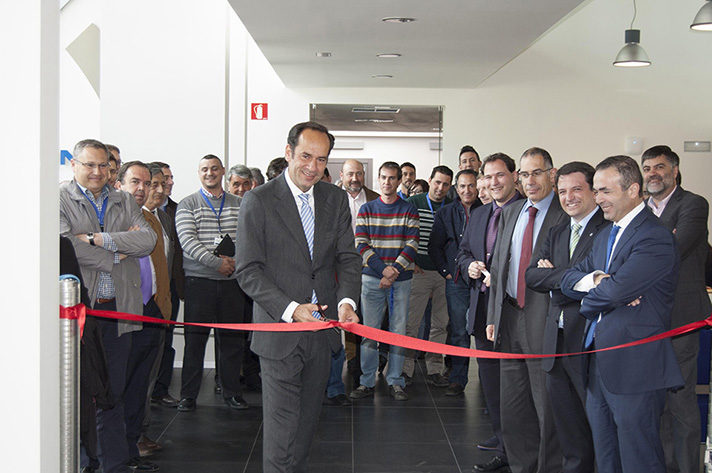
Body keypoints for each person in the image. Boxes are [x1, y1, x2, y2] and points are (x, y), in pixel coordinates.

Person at [234, 122, 361, 473]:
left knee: (306, 425)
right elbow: (248, 270)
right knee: (281, 428)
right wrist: (290, 309)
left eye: (321, 160)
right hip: (279, 331)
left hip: (322, 332)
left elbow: (347, 258)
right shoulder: (258, 200)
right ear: (288, 152)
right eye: (306, 156)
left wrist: (347, 303)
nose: (312, 167)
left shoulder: (334, 199)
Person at [561, 155, 684, 473]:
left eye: (605, 191)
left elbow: (614, 293)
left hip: (636, 367)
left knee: (638, 457)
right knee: (606, 456)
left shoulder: (654, 237)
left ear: (633, 190)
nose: (598, 198)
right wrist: (599, 282)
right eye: (597, 190)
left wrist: (595, 298)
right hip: (599, 363)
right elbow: (568, 281)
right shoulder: (605, 235)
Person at [60, 139, 157, 473]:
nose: (97, 172)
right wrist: (118, 253)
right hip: (78, 313)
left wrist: (98, 238)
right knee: (79, 392)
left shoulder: (124, 199)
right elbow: (66, 248)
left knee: (112, 392)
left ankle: (112, 464)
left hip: (120, 310)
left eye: (104, 165)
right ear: (74, 165)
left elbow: (147, 241)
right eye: (89, 165)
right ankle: (85, 462)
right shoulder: (59, 199)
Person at [486, 147, 566, 473]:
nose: (530, 180)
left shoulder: (565, 214)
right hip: (509, 315)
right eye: (524, 174)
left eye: (537, 173)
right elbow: (499, 266)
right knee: (514, 407)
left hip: (544, 319)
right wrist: (493, 317)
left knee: (546, 405)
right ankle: (522, 466)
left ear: (552, 173)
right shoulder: (512, 211)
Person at [525, 162, 604, 473]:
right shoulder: (557, 232)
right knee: (569, 431)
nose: (568, 197)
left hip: (589, 344)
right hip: (555, 344)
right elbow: (532, 276)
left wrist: (555, 280)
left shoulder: (607, 230)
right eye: (562, 191)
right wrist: (572, 280)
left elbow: (601, 282)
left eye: (577, 189)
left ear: (594, 193)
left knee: (597, 428)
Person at [641, 145, 710, 473]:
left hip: (682, 319)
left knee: (680, 402)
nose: (653, 173)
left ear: (675, 171)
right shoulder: (640, 208)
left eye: (659, 167)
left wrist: (643, 247)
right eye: (647, 168)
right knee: (657, 402)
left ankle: (685, 469)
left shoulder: (694, 204)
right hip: (646, 320)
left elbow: (673, 250)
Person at [457, 153, 523, 471]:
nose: (493, 182)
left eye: (500, 175)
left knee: (516, 384)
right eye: (488, 176)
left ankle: (519, 448)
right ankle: (504, 442)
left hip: (514, 313)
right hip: (482, 309)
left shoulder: (527, 211)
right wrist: (469, 265)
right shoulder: (481, 214)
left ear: (514, 176)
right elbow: (464, 251)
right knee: (491, 381)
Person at [175, 154, 247, 412]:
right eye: (205, 169)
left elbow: (249, 237)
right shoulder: (187, 204)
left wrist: (235, 261)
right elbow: (188, 241)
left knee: (231, 341)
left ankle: (232, 393)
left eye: (214, 169)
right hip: (200, 281)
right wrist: (216, 263)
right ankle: (188, 396)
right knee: (195, 341)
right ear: (199, 173)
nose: (210, 173)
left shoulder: (241, 203)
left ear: (223, 172)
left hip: (232, 282)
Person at [116, 161, 172, 465]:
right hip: (121, 312)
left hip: (151, 309)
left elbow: (156, 263)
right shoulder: (110, 218)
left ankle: (131, 445)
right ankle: (109, 452)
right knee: (119, 385)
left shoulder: (149, 220)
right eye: (135, 182)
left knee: (139, 385)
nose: (142, 189)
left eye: (147, 183)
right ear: (119, 184)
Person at [350, 161, 420, 401]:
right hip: (371, 279)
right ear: (378, 179)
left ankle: (395, 380)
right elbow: (361, 243)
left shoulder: (409, 209)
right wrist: (383, 271)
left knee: (397, 332)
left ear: (399, 181)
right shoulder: (367, 209)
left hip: (401, 280)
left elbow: (412, 244)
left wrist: (394, 271)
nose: (387, 182)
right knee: (369, 332)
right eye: (383, 177)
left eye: (392, 178)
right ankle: (366, 381)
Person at [428, 169, 481, 395]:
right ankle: (458, 378)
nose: (466, 190)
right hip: (456, 281)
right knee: (458, 331)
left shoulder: (488, 210)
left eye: (471, 185)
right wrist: (447, 272)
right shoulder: (445, 213)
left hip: (483, 282)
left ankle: (488, 383)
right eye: (462, 186)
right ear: (455, 189)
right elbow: (434, 246)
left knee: (484, 331)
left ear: (477, 187)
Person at [402, 165, 454, 387]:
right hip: (419, 272)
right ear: (430, 180)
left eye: (445, 184)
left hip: (443, 273)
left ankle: (434, 369)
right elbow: (403, 234)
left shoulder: (451, 207)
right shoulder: (414, 203)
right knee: (411, 324)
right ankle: (405, 370)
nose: (440, 187)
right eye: (437, 182)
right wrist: (410, 263)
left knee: (440, 324)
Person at [149, 162, 183, 408]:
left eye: (164, 183)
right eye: (155, 184)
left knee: (164, 347)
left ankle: (159, 392)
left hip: (167, 294)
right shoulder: (136, 217)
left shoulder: (164, 215)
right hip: (145, 300)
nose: (161, 189)